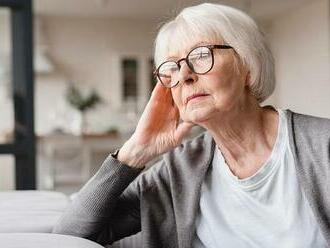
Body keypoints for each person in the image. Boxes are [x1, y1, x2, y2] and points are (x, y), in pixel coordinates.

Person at [53, 3, 330, 247]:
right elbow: (69, 235)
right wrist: (135, 151)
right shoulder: (179, 168)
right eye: (171, 67)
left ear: (247, 66)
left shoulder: (321, 147)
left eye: (200, 55)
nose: (184, 75)